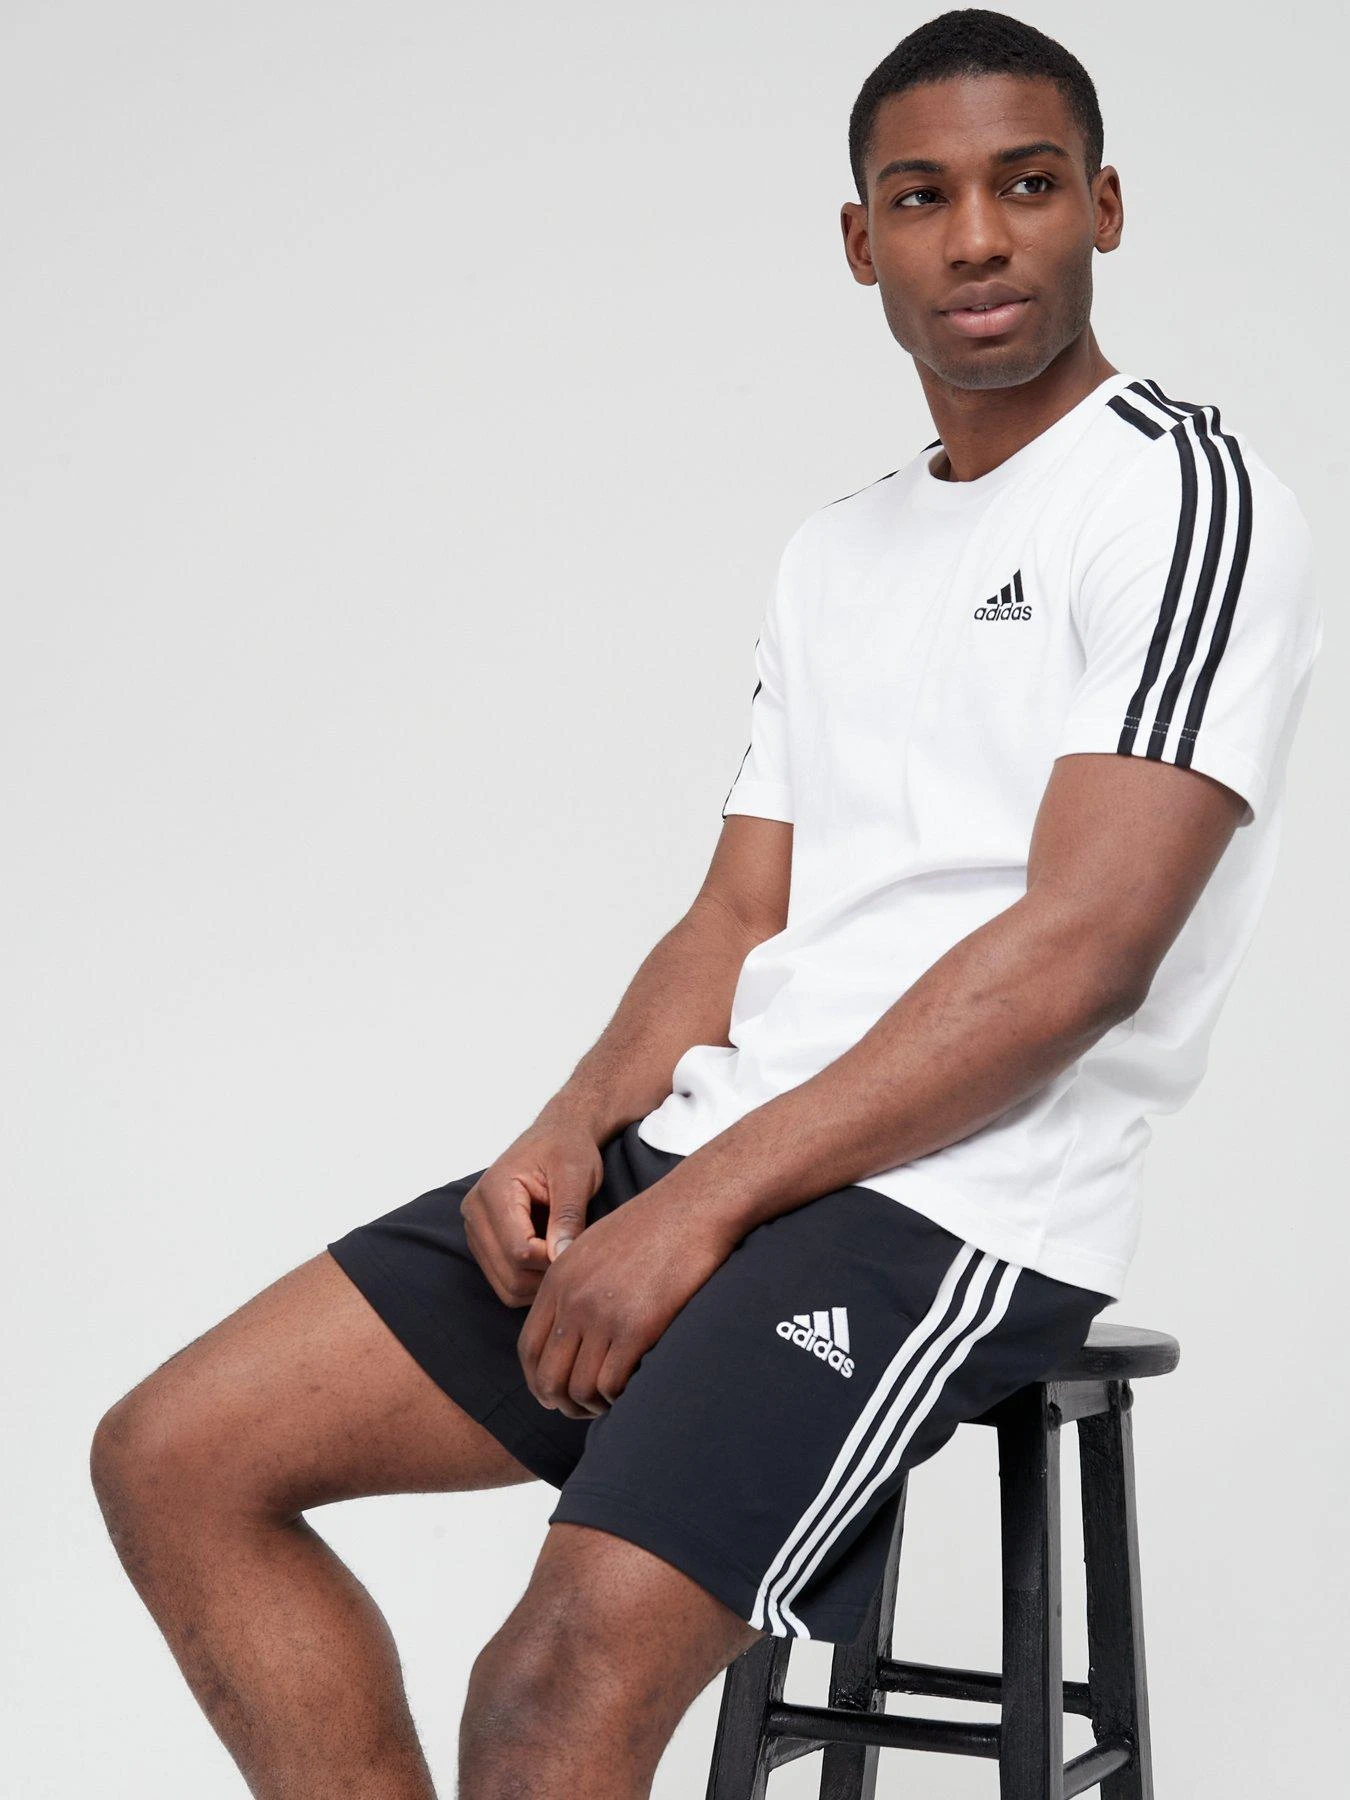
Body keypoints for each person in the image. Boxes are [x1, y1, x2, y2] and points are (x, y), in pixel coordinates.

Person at [89, 9, 1323, 1798]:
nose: (977, 237)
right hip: (721, 1154)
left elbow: (1082, 955)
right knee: (177, 1455)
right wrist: (570, 1132)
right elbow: (738, 915)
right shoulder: (841, 549)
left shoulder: (1178, 499)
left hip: (955, 1203)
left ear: (1103, 209)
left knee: (548, 1686)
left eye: (1027, 185)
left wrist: (698, 1212)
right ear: (861, 243)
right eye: (922, 198)